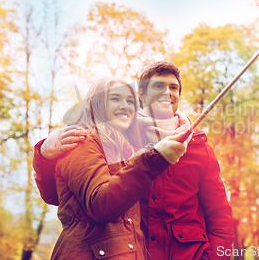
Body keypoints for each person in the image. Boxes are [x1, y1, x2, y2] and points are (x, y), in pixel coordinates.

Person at [33, 61, 234, 260]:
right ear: (143, 97)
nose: (167, 92)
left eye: (174, 87)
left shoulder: (198, 146)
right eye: (158, 86)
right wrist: (45, 152)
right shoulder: (120, 139)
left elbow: (220, 214)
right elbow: (62, 196)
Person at [38, 76, 188, 260]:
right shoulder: (82, 141)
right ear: (98, 104)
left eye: (130, 101)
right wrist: (154, 159)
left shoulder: (127, 151)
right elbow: (101, 204)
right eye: (115, 98)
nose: (125, 106)